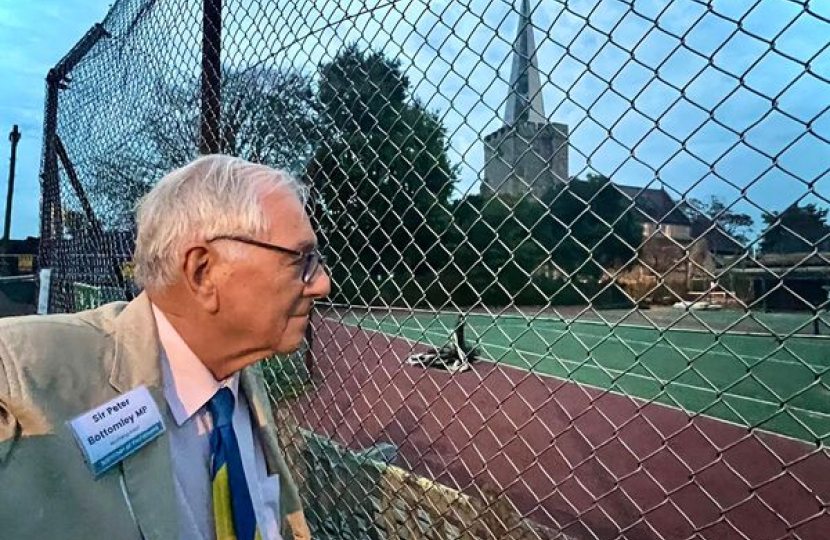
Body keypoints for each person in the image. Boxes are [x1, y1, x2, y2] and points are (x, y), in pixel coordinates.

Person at [0, 155, 330, 540]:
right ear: (203, 272)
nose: (321, 283)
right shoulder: (21, 370)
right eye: (301, 261)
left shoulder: (239, 378)